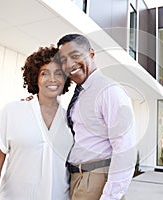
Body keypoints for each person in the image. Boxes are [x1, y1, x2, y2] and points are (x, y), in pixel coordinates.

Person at [0, 46, 73, 200]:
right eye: (45, 73)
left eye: (58, 73)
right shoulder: (13, 111)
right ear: (35, 77)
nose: (52, 79)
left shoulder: (71, 121)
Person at [57, 33, 137, 200]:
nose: (70, 64)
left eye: (75, 56)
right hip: (76, 178)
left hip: (95, 180)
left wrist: (110, 196)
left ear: (91, 54)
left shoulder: (109, 91)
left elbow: (125, 149)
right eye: (63, 60)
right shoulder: (81, 92)